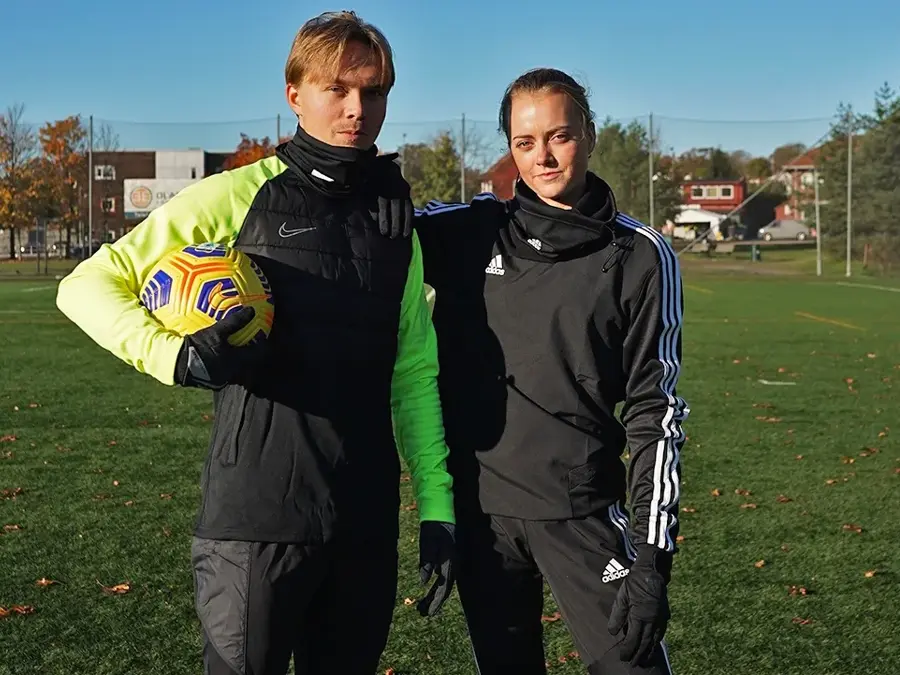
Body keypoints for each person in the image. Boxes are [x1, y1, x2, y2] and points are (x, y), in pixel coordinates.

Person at [56, 11, 456, 675]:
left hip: (363, 521)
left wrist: (437, 509)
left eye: (374, 91)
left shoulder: (395, 220)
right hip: (254, 518)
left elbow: (413, 371)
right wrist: (174, 356)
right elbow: (88, 284)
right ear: (294, 93)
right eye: (337, 89)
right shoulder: (237, 196)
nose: (357, 108)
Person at [415, 68, 689, 675]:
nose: (543, 156)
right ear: (510, 146)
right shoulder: (471, 232)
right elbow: (364, 232)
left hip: (580, 511)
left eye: (559, 136)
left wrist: (650, 560)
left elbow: (655, 412)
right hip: (483, 516)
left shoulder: (639, 255)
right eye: (524, 142)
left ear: (589, 136)